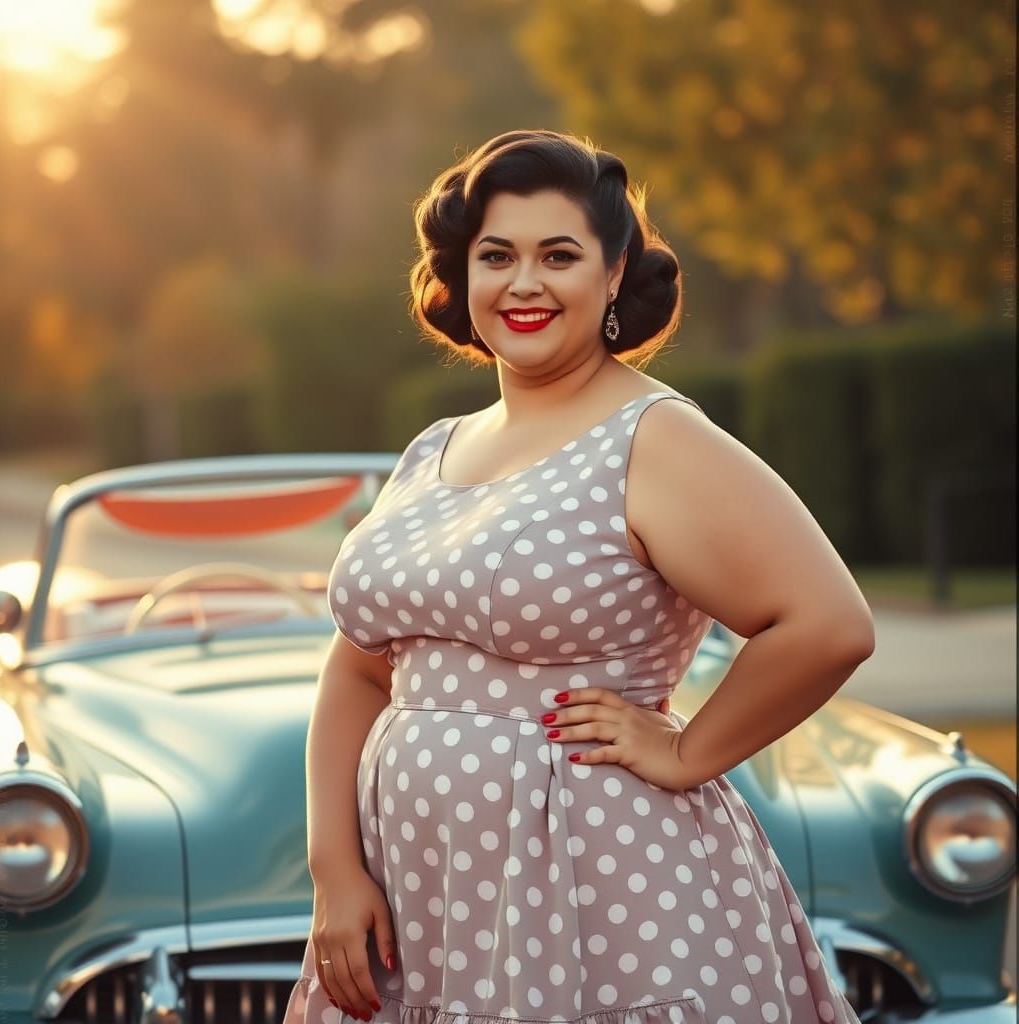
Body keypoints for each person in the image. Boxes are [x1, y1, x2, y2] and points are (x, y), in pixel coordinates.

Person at [283, 128, 873, 1024]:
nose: (524, 283)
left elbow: (828, 624)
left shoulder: (655, 437)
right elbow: (361, 669)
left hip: (606, 893)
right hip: (421, 900)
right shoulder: (432, 450)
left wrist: (684, 753)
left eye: (558, 256)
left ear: (614, 272)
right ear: (463, 276)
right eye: (497, 256)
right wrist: (335, 869)